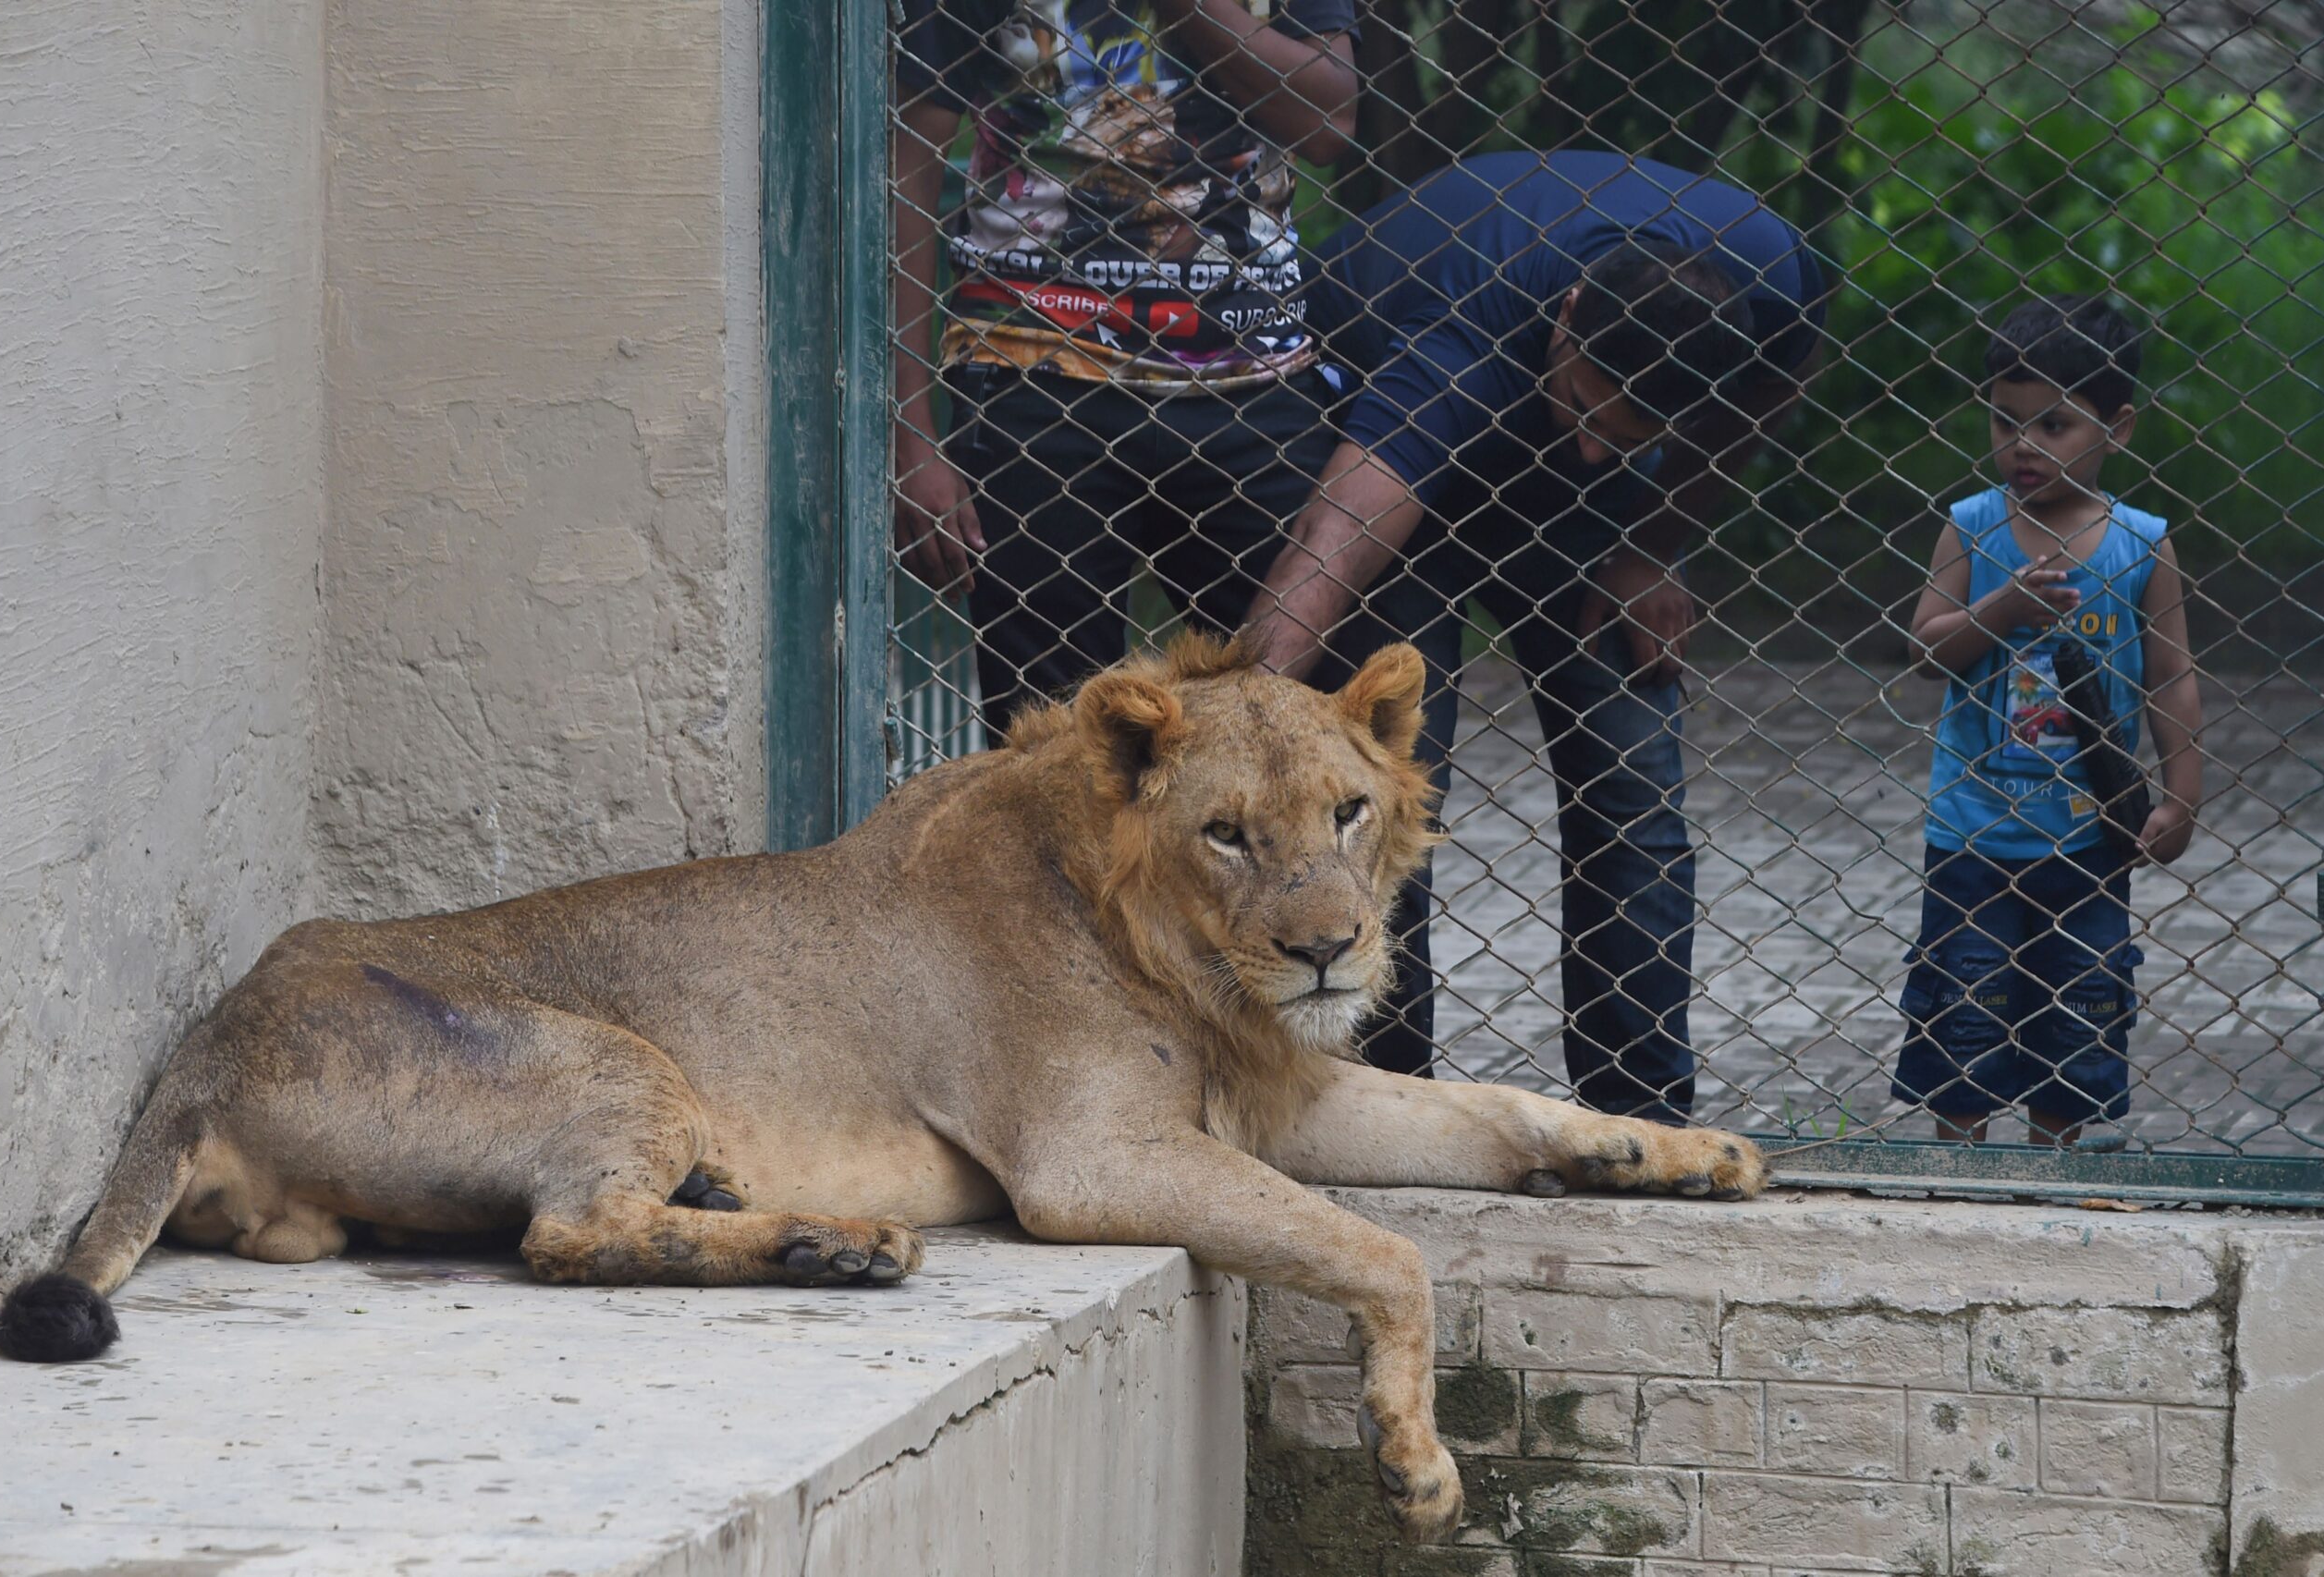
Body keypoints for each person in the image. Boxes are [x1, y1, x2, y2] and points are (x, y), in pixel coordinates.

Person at [1245, 151, 1830, 1117]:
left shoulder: (1775, 282)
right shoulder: (1468, 335)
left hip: (1585, 526)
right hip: (1387, 462)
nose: (1598, 447)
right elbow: (1337, 537)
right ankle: (1382, 1102)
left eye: (1632, 433)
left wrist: (1650, 541)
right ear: (1565, 330)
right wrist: (1254, 708)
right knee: (1377, 795)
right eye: (1591, 410)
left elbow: (1771, 392)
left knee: (1634, 794)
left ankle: (1639, 1113)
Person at [893, 0, 1359, 740]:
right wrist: (910, 430)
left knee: (1295, 733)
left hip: (1250, 381)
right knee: (1053, 754)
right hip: (1032, 370)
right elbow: (913, 158)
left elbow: (1328, 122)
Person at [1892, 296, 2202, 1148]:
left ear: (2119, 428)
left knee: (2084, 1000)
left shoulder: (2142, 545)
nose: (2024, 446)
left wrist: (2182, 794)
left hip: (2091, 835)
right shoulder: (1972, 526)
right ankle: (1960, 1158)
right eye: (2006, 422)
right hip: (1974, 831)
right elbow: (1925, 648)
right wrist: (2001, 609)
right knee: (1965, 996)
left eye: (2055, 425)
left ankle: (2052, 1159)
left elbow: (2172, 675)